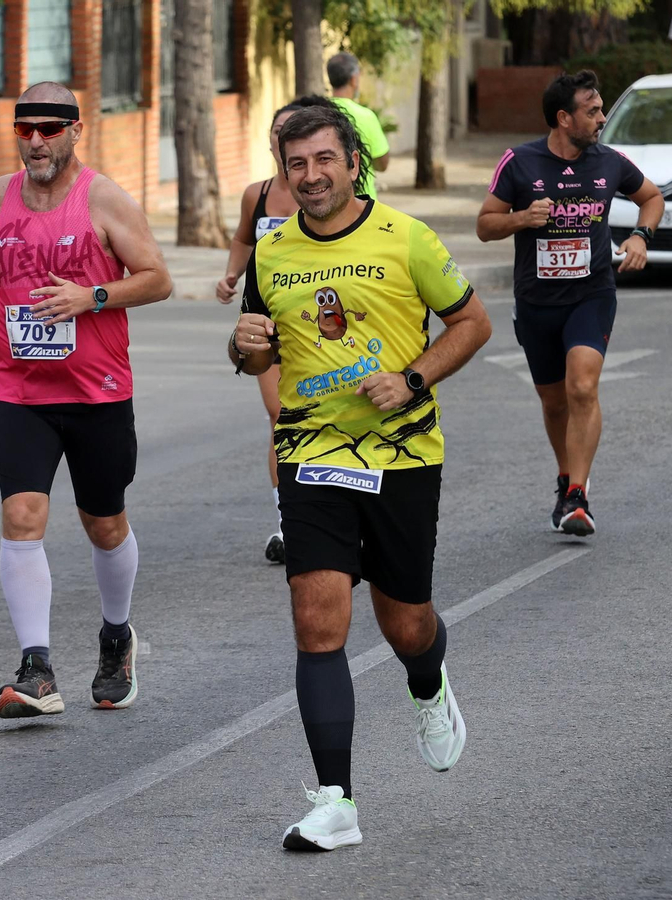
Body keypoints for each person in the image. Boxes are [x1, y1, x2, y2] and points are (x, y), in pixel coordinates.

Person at [228, 106, 492, 851]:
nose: (310, 176)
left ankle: (428, 682)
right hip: (310, 453)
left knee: (405, 622)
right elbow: (256, 352)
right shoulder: (271, 251)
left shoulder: (406, 238)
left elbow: (473, 324)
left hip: (402, 457)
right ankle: (337, 801)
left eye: (323, 160)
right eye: (295, 164)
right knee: (318, 622)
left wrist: (411, 378)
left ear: (353, 162)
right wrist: (244, 347)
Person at [0, 82, 173, 718]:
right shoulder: (0, 195)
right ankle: (37, 669)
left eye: (49, 130)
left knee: (103, 521)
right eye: (25, 130)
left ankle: (116, 637)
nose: (35, 142)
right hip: (20, 386)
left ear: (75, 131)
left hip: (97, 390)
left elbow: (158, 278)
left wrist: (93, 297)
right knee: (22, 515)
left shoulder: (103, 199)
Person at [477, 71, 665, 536]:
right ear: (564, 118)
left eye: (601, 109)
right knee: (554, 400)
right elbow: (484, 224)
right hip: (537, 299)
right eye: (592, 110)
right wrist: (521, 217)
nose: (601, 118)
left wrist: (641, 236)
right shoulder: (519, 162)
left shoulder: (609, 161)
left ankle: (578, 495)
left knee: (582, 386)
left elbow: (652, 197)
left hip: (592, 293)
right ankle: (565, 478)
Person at [216, 94, 343, 565]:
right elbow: (243, 239)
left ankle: (340, 505)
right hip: (271, 319)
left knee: (328, 411)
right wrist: (231, 275)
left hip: (325, 320)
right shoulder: (260, 193)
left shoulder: (333, 186)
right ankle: (289, 520)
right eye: (279, 136)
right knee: (280, 414)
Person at [326, 52, 390, 196]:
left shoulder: (318, 111)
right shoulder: (366, 116)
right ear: (354, 80)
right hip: (363, 202)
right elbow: (383, 163)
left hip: (326, 201)